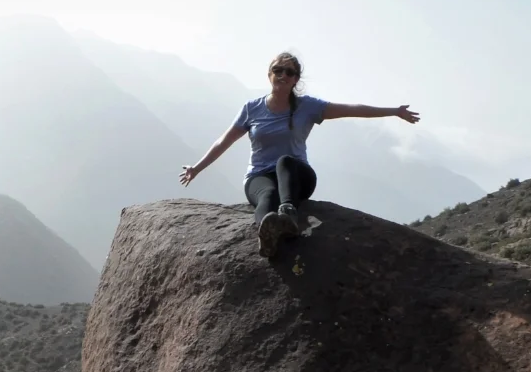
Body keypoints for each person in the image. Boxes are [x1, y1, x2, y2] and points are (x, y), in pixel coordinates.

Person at [179, 52, 420, 257]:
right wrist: (196, 168)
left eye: (289, 72)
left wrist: (394, 111)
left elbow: (351, 109)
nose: (283, 75)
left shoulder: (308, 107)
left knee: (285, 161)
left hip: (297, 176)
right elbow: (224, 140)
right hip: (259, 175)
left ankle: (288, 214)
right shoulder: (251, 108)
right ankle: (268, 234)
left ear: (296, 80)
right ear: (269, 73)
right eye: (278, 70)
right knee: (267, 197)